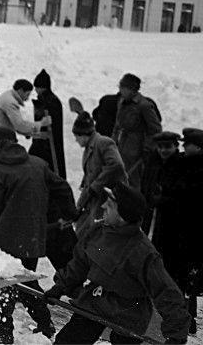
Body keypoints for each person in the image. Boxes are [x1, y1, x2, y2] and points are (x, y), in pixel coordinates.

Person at [46, 183, 191, 345]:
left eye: (110, 205)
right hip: (95, 301)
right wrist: (61, 286)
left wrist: (176, 334)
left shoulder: (143, 253)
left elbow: (165, 291)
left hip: (129, 313)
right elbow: (80, 263)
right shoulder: (98, 231)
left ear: (123, 215)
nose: (103, 206)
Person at [0, 129, 62, 344]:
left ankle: (4, 335)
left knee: (2, 286)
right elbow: (62, 187)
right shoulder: (37, 163)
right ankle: (45, 324)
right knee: (26, 283)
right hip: (32, 239)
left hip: (7, 239)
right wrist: (70, 214)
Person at [153, 129, 203, 332]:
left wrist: (162, 200)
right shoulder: (189, 164)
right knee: (178, 277)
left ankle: (184, 321)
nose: (183, 146)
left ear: (198, 148)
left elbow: (186, 201)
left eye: (187, 143)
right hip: (180, 235)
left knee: (184, 279)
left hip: (191, 238)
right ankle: (183, 319)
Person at [0, 80, 51, 216]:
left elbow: (15, 126)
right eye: (27, 94)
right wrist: (41, 124)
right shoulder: (10, 102)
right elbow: (20, 125)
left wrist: (31, 132)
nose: (27, 98)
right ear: (21, 91)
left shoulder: (8, 97)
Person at [71, 112, 127, 240]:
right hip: (96, 199)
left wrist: (96, 185)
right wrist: (79, 206)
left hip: (109, 199)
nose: (76, 140)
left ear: (83, 135)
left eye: (76, 136)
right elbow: (87, 182)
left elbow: (116, 165)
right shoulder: (89, 149)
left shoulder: (103, 142)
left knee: (99, 235)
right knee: (83, 233)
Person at [112, 73, 162, 188]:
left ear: (132, 90)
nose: (120, 90)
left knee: (134, 180)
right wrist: (112, 141)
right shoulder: (121, 101)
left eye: (123, 88)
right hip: (122, 145)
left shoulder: (144, 105)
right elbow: (117, 124)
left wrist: (147, 148)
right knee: (121, 177)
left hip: (137, 149)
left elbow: (155, 129)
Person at [28, 69, 66, 178]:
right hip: (44, 141)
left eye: (37, 87)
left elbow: (46, 123)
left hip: (46, 143)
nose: (35, 90)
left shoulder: (49, 101)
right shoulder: (48, 99)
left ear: (42, 87)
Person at [140, 131, 180, 234]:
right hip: (149, 212)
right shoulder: (152, 163)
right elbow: (144, 186)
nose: (163, 150)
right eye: (160, 147)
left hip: (167, 216)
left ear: (176, 146)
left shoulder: (180, 166)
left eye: (167, 147)